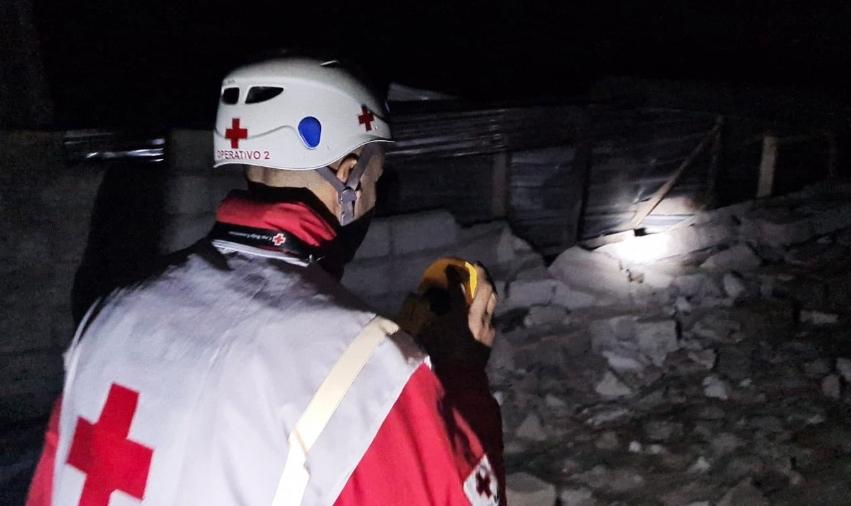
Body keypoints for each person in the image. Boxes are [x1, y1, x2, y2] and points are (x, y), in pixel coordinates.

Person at [27, 57, 505, 505]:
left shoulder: (112, 311)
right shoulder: (359, 362)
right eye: (377, 177)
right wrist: (460, 369)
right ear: (348, 177)